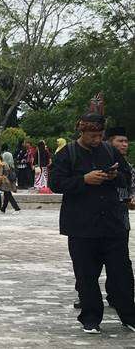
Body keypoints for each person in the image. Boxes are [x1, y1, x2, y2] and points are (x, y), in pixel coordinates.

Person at [49, 113, 135, 334]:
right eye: (92, 136)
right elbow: (56, 183)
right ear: (82, 132)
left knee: (122, 273)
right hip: (81, 226)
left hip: (113, 224)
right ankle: (90, 318)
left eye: (100, 135)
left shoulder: (109, 150)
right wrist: (83, 180)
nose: (97, 140)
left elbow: (127, 176)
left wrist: (115, 176)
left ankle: (129, 315)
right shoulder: (67, 153)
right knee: (86, 275)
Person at [104, 126, 133, 310]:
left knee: (121, 260)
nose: (124, 144)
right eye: (119, 141)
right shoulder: (100, 161)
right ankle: (86, 295)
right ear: (109, 142)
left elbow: (129, 188)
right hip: (98, 217)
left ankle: (119, 296)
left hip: (120, 218)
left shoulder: (125, 164)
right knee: (93, 260)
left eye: (125, 141)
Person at [0, 145, 21, 214]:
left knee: (8, 194)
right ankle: (3, 209)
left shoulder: (3, 164)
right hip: (10, 180)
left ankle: (17, 208)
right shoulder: (11, 165)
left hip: (5, 181)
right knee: (6, 194)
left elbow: (0, 173)